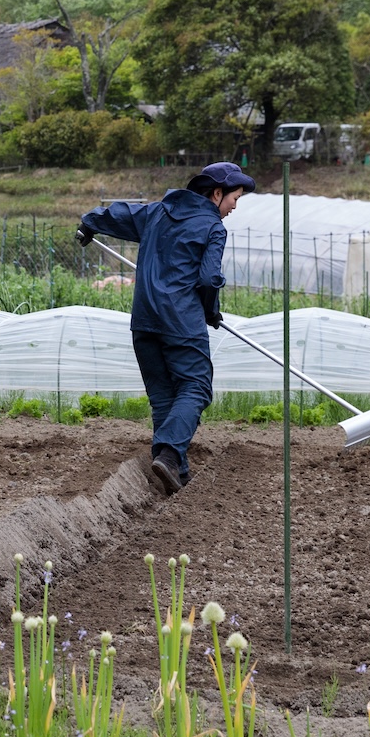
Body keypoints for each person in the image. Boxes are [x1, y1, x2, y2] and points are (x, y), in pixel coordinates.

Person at [75, 161, 256, 496]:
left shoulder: (158, 212)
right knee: (196, 387)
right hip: (180, 321)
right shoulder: (213, 227)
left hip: (144, 322)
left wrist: (89, 224)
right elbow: (208, 278)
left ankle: (175, 470)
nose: (234, 206)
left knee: (164, 396)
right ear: (216, 193)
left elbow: (120, 213)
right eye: (235, 198)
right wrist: (209, 310)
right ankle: (170, 454)